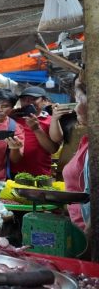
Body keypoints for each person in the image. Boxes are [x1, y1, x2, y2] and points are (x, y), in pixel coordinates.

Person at [10, 86, 58, 177]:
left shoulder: (51, 121)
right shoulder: (13, 119)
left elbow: (53, 149)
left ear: (45, 101)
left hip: (40, 172)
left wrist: (36, 129)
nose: (28, 102)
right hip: (14, 172)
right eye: (24, 99)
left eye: (33, 99)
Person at [62, 76, 89, 230]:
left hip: (86, 232)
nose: (75, 108)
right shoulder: (87, 142)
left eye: (79, 99)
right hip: (79, 226)